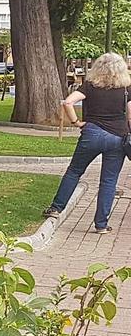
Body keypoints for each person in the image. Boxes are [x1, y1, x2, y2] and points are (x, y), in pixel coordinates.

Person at [43, 52, 131, 233]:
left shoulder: (90, 86)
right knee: (108, 181)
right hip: (117, 137)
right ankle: (101, 225)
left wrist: (76, 122)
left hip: (92, 133)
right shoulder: (126, 88)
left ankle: (56, 208)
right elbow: (130, 114)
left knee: (75, 171)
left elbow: (68, 102)